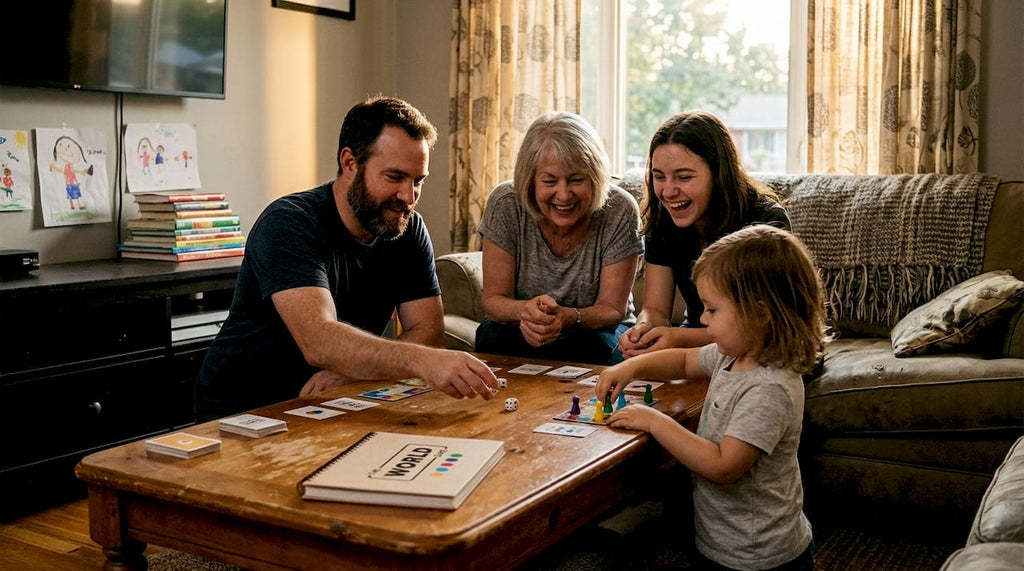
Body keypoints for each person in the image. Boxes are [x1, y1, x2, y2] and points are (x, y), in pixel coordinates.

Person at [195, 96, 498, 421]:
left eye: (418, 181)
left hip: (334, 401)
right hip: (245, 410)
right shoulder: (288, 223)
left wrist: (355, 373)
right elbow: (320, 341)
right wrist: (422, 362)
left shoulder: (407, 229)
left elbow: (429, 332)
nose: (408, 197)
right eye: (395, 177)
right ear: (350, 163)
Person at [596, 224, 827, 571]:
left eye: (712, 310)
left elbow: (723, 466)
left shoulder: (770, 388)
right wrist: (632, 368)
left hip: (759, 557)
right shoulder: (733, 353)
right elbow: (685, 360)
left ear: (761, 313)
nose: (701, 319)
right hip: (721, 541)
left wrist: (656, 421)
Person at [617, 111, 791, 359]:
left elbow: (758, 328)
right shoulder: (663, 221)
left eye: (684, 177)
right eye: (658, 177)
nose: (667, 191)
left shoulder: (765, 223)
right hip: (698, 339)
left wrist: (676, 338)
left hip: (766, 349)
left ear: (718, 174)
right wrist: (644, 329)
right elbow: (655, 309)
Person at [475, 111, 643, 365]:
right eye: (550, 181)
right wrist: (525, 312)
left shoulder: (620, 209)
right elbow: (493, 301)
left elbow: (611, 310)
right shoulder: (506, 203)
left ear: (595, 178)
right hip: (520, 327)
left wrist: (567, 317)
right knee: (490, 336)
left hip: (595, 331)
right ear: (530, 181)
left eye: (576, 180)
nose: (563, 195)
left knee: (602, 347)